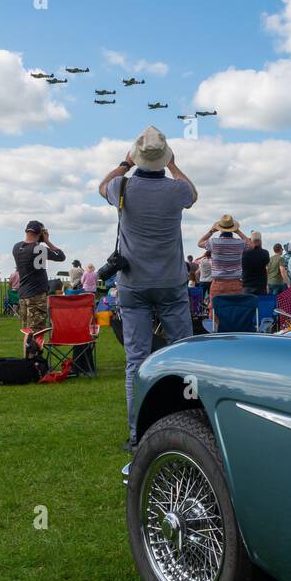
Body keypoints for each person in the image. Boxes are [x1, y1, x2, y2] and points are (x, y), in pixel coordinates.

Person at [97, 125, 197, 419]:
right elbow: (193, 194)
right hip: (170, 281)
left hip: (133, 283)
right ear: (164, 157)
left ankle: (135, 432)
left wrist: (123, 164)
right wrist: (174, 165)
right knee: (182, 355)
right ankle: (186, 420)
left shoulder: (122, 187)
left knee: (136, 360)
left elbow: (102, 186)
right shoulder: (176, 189)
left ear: (137, 156)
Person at [12, 220, 66, 335]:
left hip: (23, 294)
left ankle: (27, 353)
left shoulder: (16, 247)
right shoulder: (39, 249)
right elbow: (61, 256)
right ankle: (34, 354)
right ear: (40, 233)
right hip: (37, 295)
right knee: (38, 332)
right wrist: (47, 241)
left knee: (27, 332)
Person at [199, 214, 249, 324]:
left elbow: (200, 243)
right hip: (236, 283)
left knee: (216, 311)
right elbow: (250, 244)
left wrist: (211, 231)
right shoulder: (239, 243)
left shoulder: (213, 242)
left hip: (218, 283)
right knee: (235, 311)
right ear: (233, 229)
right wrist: (238, 232)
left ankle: (217, 332)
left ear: (220, 229)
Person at [242, 231, 270, 296]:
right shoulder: (265, 253)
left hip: (247, 285)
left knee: (248, 305)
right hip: (261, 286)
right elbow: (266, 263)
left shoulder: (244, 254)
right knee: (261, 305)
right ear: (260, 241)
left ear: (251, 240)